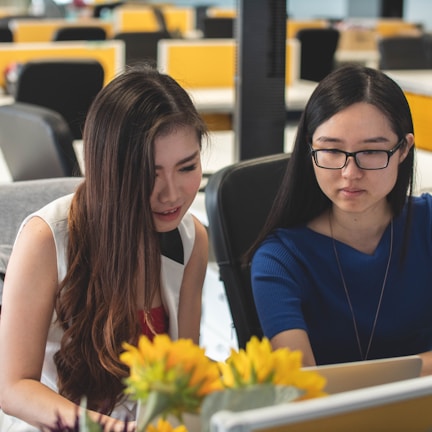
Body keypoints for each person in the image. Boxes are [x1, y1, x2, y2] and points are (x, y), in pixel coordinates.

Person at [0, 64, 209, 431]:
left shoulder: (191, 240)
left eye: (187, 167)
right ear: (111, 168)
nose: (172, 194)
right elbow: (14, 387)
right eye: (150, 171)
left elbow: (180, 371)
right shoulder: (46, 239)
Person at [250, 64, 432, 375]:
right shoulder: (280, 260)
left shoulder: (426, 224)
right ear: (310, 148)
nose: (350, 173)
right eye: (332, 150)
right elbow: (303, 387)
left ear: (403, 150)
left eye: (372, 151)